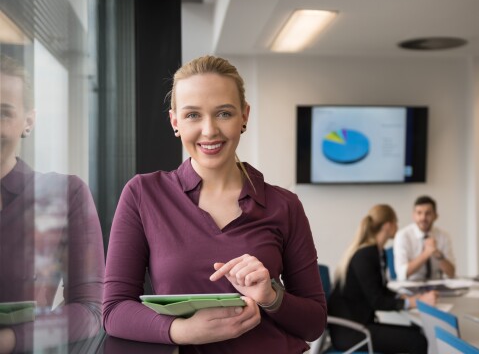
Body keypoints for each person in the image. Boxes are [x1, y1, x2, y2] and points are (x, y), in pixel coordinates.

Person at [102, 55, 326, 353]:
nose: (209, 131)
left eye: (223, 113)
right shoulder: (144, 194)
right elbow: (114, 311)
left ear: (244, 116)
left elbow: (313, 324)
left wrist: (271, 295)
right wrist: (181, 331)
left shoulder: (284, 205)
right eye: (193, 115)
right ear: (175, 121)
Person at [0, 54, 104, 353]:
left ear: (28, 121)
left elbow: (91, 312)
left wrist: (8, 341)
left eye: (3, 112)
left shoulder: (64, 193)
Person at [328, 204, 436, 354]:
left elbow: (380, 289)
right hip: (351, 332)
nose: (397, 226)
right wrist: (413, 302)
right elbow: (376, 300)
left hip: (360, 324)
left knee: (417, 332)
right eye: (396, 222)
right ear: (388, 226)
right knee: (418, 341)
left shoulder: (379, 252)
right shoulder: (365, 255)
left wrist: (402, 296)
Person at [393, 195, 456, 280]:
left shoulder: (443, 236)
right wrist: (426, 254)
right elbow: (402, 274)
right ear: (413, 215)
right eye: (419, 213)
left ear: (435, 216)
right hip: (411, 286)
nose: (423, 218)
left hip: (437, 285)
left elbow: (451, 273)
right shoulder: (403, 236)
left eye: (428, 213)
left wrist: (438, 255)